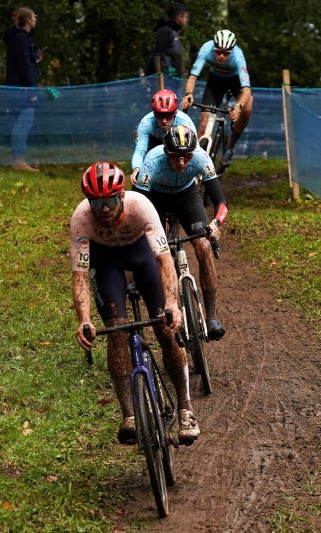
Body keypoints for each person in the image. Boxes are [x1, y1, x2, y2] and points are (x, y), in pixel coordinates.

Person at [71, 161, 200, 445]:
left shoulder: (141, 206)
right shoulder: (81, 218)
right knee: (116, 332)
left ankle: (185, 409)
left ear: (122, 195)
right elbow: (80, 275)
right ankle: (129, 415)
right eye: (97, 202)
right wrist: (84, 318)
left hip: (142, 255)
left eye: (111, 200)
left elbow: (165, 260)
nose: (104, 208)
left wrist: (172, 304)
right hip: (105, 263)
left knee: (166, 329)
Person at [134, 125, 227, 340]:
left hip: (186, 197)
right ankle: (168, 306)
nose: (182, 162)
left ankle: (211, 317)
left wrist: (216, 223)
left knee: (203, 246)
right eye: (176, 157)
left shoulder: (202, 158)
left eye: (187, 156)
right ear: (166, 152)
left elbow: (221, 201)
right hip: (155, 199)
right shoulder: (152, 161)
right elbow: (139, 204)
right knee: (159, 251)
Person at [182, 29, 253, 168]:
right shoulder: (206, 49)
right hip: (215, 82)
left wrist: (238, 106)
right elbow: (192, 77)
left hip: (235, 81)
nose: (221, 56)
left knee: (248, 107)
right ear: (213, 47)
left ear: (231, 51)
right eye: (218, 51)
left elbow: (246, 90)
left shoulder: (238, 56)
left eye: (226, 53)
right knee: (204, 122)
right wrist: (189, 93)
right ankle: (188, 161)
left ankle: (229, 148)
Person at [3, 6, 45, 173]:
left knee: (21, 122)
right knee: (23, 122)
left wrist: (35, 59)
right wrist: (32, 89)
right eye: (34, 16)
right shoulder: (21, 38)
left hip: (19, 87)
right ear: (28, 20)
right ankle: (19, 160)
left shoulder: (20, 38)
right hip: (22, 90)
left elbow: (24, 62)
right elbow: (23, 66)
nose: (35, 18)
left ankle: (18, 159)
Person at [130, 89, 196, 185]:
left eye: (168, 115)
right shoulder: (146, 122)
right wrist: (137, 168)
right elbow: (140, 150)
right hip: (154, 141)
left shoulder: (185, 122)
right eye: (159, 115)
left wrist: (194, 173)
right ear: (154, 113)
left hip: (178, 146)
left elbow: (194, 150)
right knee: (140, 176)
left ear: (175, 113)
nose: (164, 120)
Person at [144, 2, 189, 78]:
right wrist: (149, 76)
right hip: (165, 80)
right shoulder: (165, 31)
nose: (186, 20)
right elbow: (156, 54)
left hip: (174, 79)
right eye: (186, 17)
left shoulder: (174, 32)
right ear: (179, 17)